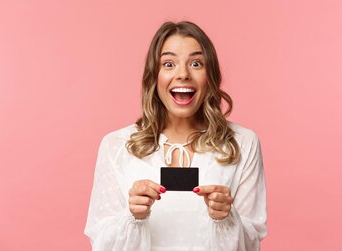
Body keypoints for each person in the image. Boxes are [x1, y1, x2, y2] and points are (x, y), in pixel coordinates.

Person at [83, 21, 267, 250]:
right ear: (154, 75)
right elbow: (100, 243)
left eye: (196, 63)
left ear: (210, 76)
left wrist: (227, 219)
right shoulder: (117, 145)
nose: (183, 74)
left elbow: (252, 244)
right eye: (169, 64)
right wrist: (132, 217)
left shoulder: (242, 143)